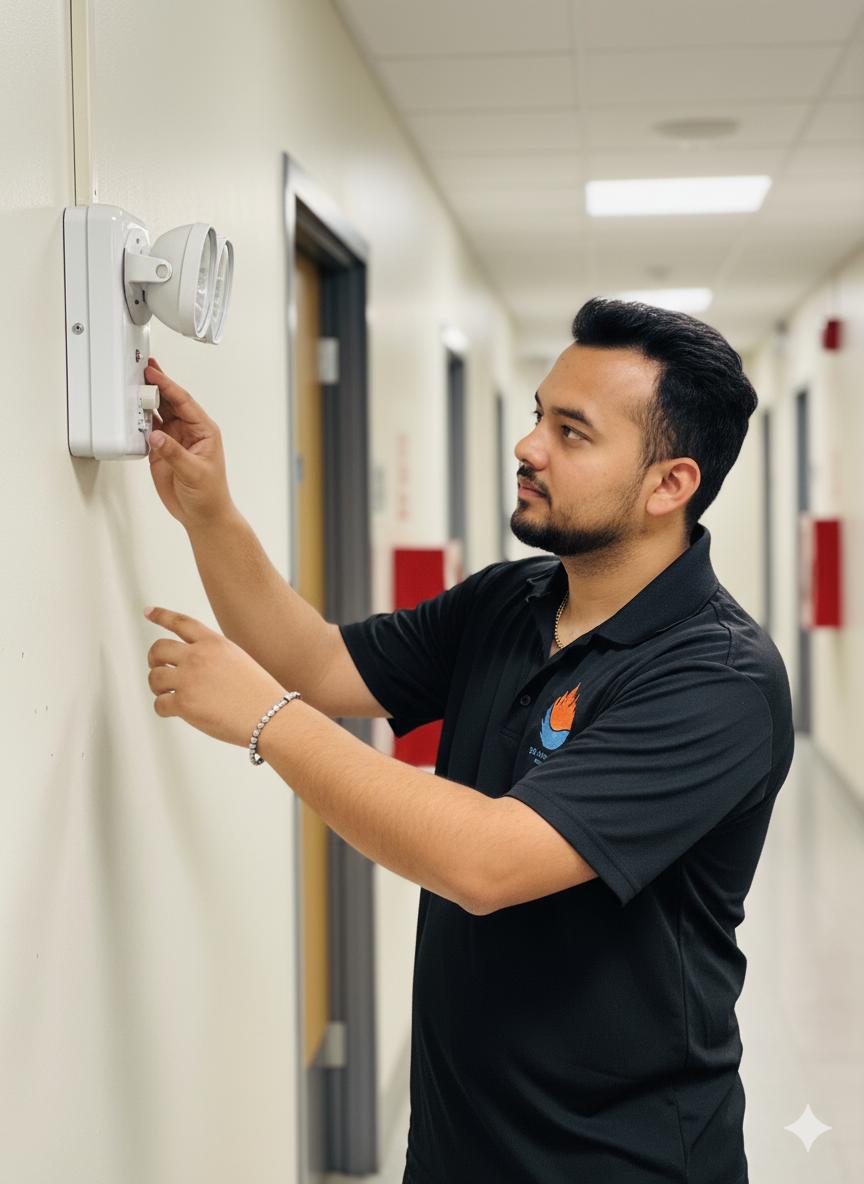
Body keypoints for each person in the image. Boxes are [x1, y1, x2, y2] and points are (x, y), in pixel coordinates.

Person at [144, 297, 793, 1184]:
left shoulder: (718, 679)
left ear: (669, 485)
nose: (529, 446)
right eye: (538, 416)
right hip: (458, 1145)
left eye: (571, 432)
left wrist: (268, 720)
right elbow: (321, 663)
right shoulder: (511, 600)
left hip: (620, 1160)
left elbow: (487, 863)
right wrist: (208, 511)